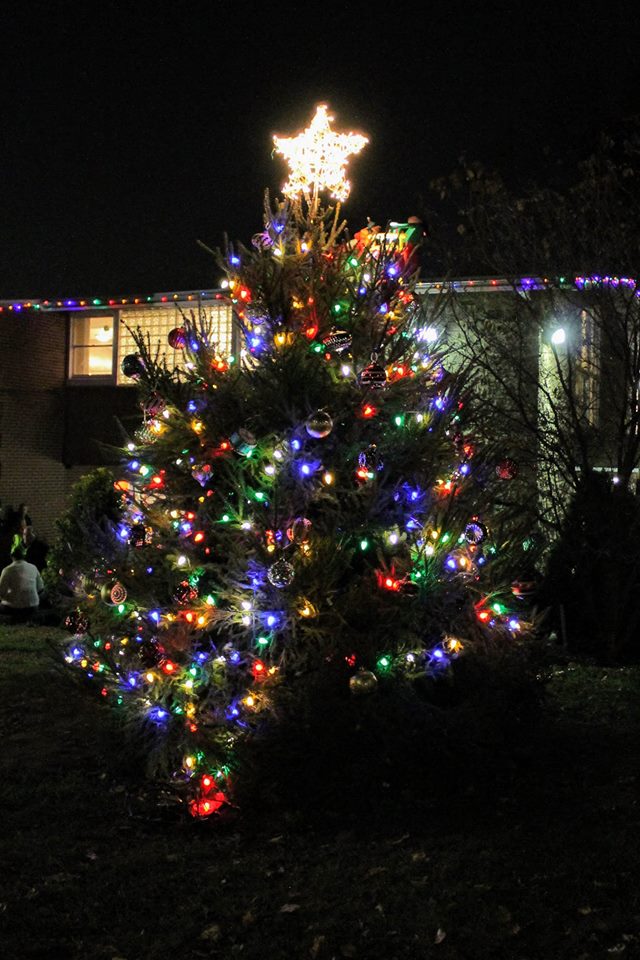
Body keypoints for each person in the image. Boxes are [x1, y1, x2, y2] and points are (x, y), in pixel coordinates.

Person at [0, 542, 45, 623]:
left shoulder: (7, 570)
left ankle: (10, 619)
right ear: (24, 556)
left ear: (11, 556)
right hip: (33, 607)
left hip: (13, 608)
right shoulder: (33, 567)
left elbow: (1, 592)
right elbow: (40, 588)